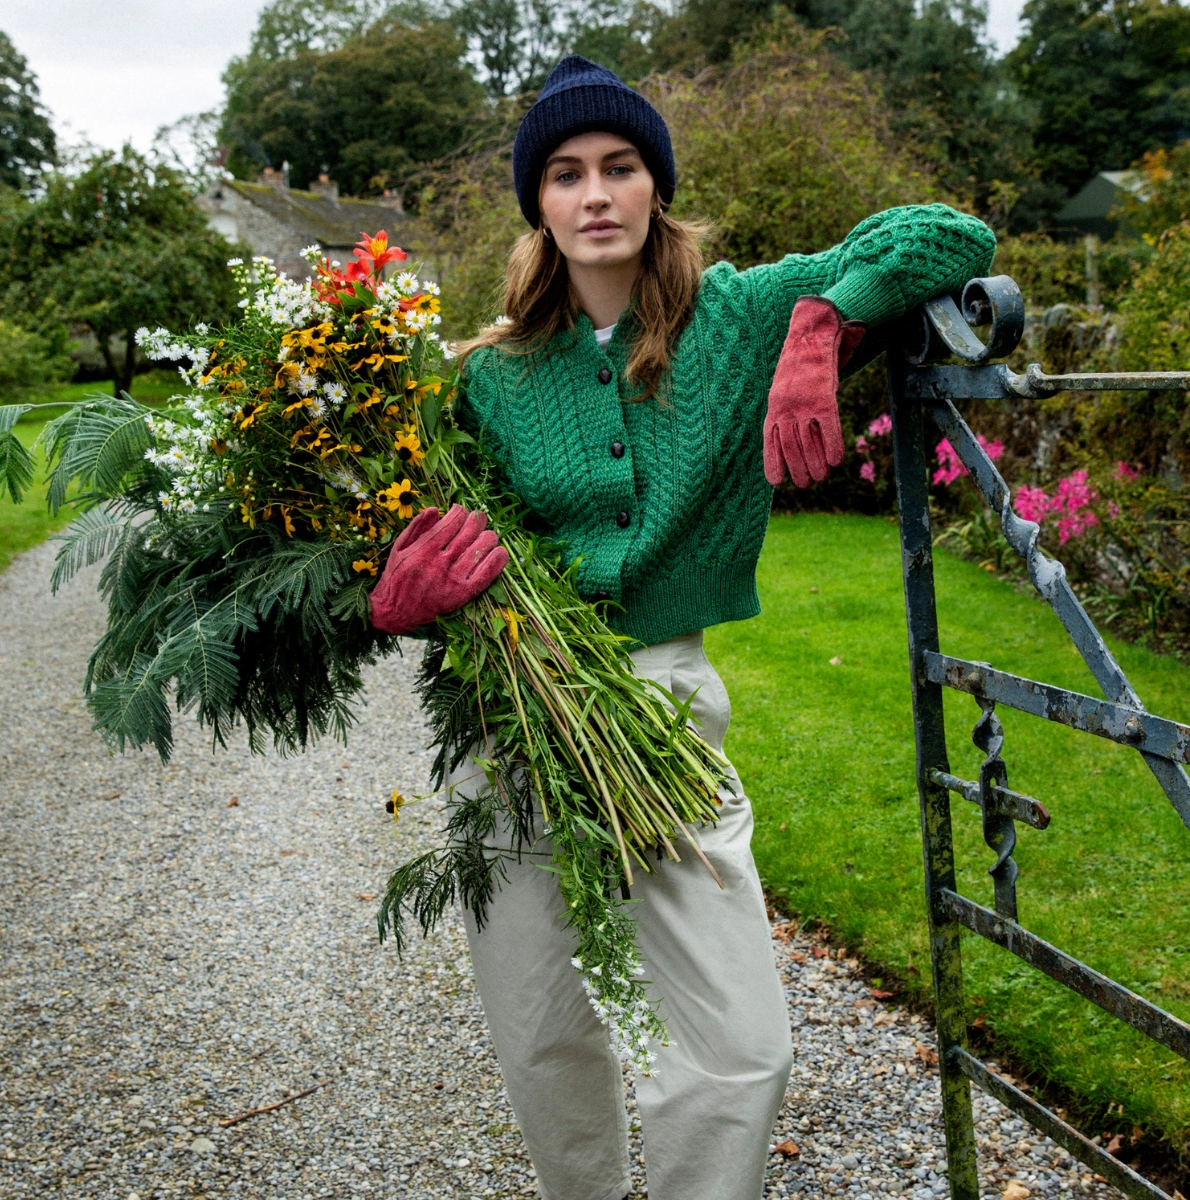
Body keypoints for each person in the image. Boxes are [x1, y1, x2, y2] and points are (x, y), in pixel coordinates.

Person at [369, 54, 996, 1200]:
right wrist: (396, 602)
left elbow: (949, 235)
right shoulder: (489, 376)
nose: (595, 193)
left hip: (660, 706)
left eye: (620, 167)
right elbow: (423, 543)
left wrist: (820, 328)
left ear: (656, 187)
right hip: (513, 705)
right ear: (539, 205)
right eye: (565, 175)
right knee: (543, 1031)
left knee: (740, 1046)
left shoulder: (740, 314)